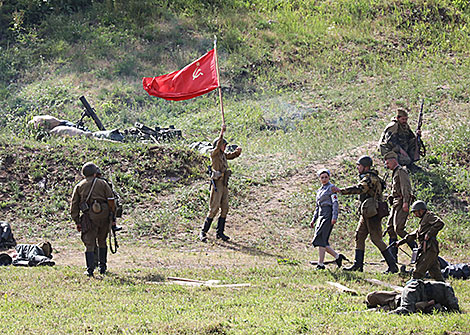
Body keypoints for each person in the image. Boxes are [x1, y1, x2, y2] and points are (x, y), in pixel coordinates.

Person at [332, 155, 398, 273]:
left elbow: (360, 189)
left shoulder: (369, 178)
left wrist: (341, 190)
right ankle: (358, 265)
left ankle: (392, 266)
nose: (357, 167)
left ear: (366, 167)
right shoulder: (370, 177)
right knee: (359, 236)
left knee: (376, 239)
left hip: (372, 212)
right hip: (367, 212)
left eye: (359, 165)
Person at [71, 162, 116, 276]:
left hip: (88, 217)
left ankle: (90, 269)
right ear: (95, 173)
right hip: (104, 216)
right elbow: (111, 201)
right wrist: (113, 216)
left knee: (89, 244)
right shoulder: (103, 183)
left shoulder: (79, 186)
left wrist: (77, 221)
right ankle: (102, 268)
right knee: (102, 241)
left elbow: (74, 205)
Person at [199, 124, 242, 242]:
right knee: (213, 209)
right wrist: (221, 132)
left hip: (224, 184)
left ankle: (220, 233)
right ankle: (203, 232)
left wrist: (237, 152)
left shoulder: (222, 155)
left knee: (225, 208)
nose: (225, 147)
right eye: (224, 145)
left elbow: (231, 156)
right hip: (217, 185)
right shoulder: (214, 154)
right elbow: (218, 146)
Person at [395, 200, 445, 281]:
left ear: (421, 210)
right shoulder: (423, 220)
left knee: (418, 272)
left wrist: (429, 234)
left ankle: (412, 290)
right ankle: (445, 290)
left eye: (415, 212)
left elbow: (440, 223)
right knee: (436, 274)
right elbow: (415, 234)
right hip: (427, 249)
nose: (415, 215)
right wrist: (401, 242)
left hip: (429, 249)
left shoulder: (429, 216)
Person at [309, 169, 346, 269]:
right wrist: (314, 219)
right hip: (321, 215)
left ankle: (321, 264)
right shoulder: (319, 190)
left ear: (329, 177)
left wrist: (334, 216)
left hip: (328, 214)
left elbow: (335, 203)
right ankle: (337, 256)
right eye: (322, 177)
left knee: (321, 238)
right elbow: (317, 206)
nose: (324, 179)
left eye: (326, 177)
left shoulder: (331, 188)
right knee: (321, 239)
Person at [383, 151, 416, 261]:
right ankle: (392, 257)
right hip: (396, 203)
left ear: (393, 161)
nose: (386, 166)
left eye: (387, 163)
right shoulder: (395, 172)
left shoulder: (401, 171)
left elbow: (406, 188)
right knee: (390, 228)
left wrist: (406, 202)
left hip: (401, 203)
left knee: (399, 229)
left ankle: (417, 250)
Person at [366, 279, 460, 315]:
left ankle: (363, 312)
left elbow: (453, 308)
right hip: (414, 290)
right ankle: (371, 308)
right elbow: (454, 307)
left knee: (398, 307)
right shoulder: (447, 289)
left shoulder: (438, 306)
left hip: (401, 299)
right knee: (371, 297)